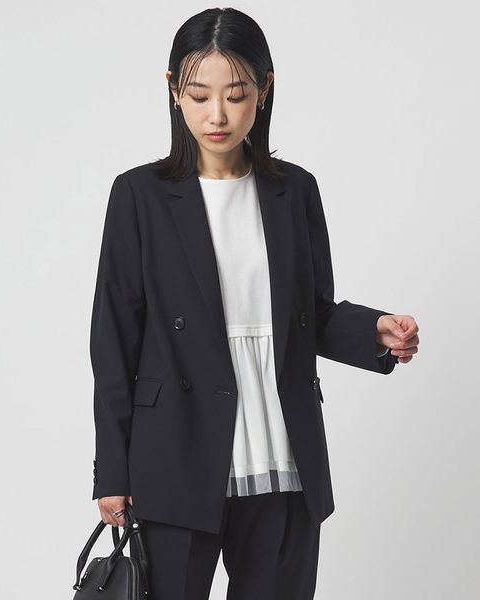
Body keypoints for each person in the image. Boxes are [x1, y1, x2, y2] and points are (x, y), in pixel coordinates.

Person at [89, 7, 420, 599]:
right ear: (174, 91)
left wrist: (374, 331)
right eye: (199, 95)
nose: (217, 114)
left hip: (283, 450)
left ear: (264, 90)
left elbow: (312, 314)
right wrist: (112, 468)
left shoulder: (294, 189)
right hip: (178, 453)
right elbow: (113, 339)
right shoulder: (139, 195)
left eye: (236, 95)